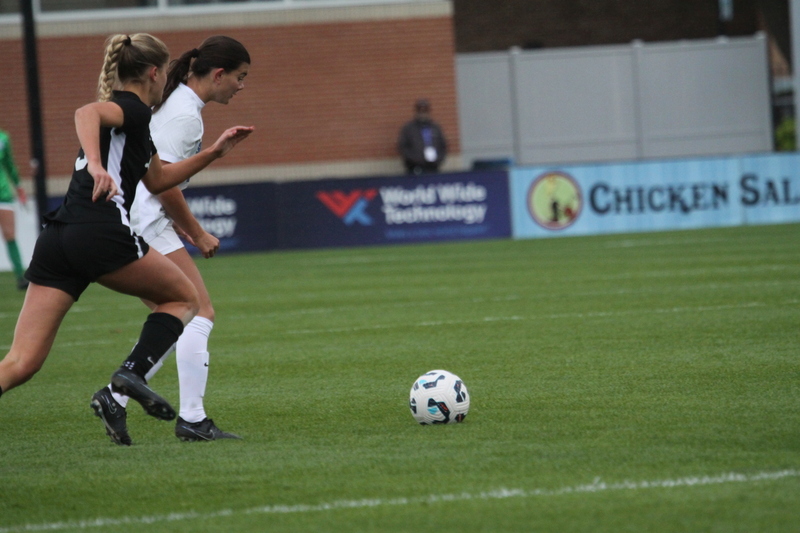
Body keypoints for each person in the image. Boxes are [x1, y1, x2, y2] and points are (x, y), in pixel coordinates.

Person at [0, 33, 234, 427]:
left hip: (58, 238)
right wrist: (95, 165)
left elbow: (159, 180)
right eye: (166, 75)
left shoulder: (138, 124)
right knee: (185, 300)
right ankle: (129, 376)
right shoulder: (133, 109)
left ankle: (126, 382)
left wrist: (213, 152)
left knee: (21, 363)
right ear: (154, 73)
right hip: (99, 231)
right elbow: (85, 113)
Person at [90, 35, 253, 445]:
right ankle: (192, 420)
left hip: (139, 218)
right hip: (143, 221)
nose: (241, 86)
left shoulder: (177, 103)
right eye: (240, 77)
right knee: (198, 313)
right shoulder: (186, 115)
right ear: (218, 74)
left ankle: (115, 397)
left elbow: (152, 171)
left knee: (174, 318)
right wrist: (196, 233)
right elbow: (161, 184)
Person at [0, 129, 29, 290]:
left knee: (10, 235)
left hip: (2, 194)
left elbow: (9, 164)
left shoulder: (3, 138)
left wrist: (19, 187)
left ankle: (20, 277)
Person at [397, 98, 447, 175]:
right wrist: (414, 159)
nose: (422, 114)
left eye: (425, 111)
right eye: (420, 111)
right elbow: (403, 147)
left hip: (433, 167)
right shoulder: (409, 128)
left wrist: (438, 159)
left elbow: (443, 145)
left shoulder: (435, 127)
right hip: (415, 169)